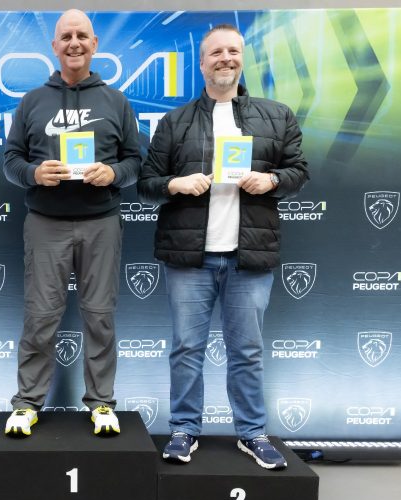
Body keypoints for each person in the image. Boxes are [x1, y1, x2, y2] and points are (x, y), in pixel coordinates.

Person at [138, 24, 308, 469]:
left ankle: (252, 433)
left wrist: (271, 180)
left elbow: (298, 171)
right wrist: (175, 184)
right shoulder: (174, 122)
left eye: (233, 50)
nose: (225, 58)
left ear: (242, 59)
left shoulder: (277, 116)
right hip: (189, 258)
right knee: (186, 349)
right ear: (202, 63)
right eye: (216, 52)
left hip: (249, 256)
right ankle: (183, 430)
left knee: (247, 352)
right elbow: (147, 182)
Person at [2, 9, 141, 437]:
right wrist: (34, 173)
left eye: (82, 35)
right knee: (40, 316)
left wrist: (113, 173)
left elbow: (135, 162)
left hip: (101, 223)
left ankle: (101, 404)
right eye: (66, 36)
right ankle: (27, 404)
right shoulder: (32, 101)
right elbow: (10, 161)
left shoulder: (116, 101)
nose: (74, 43)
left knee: (100, 316)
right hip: (46, 223)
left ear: (94, 44)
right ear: (54, 46)